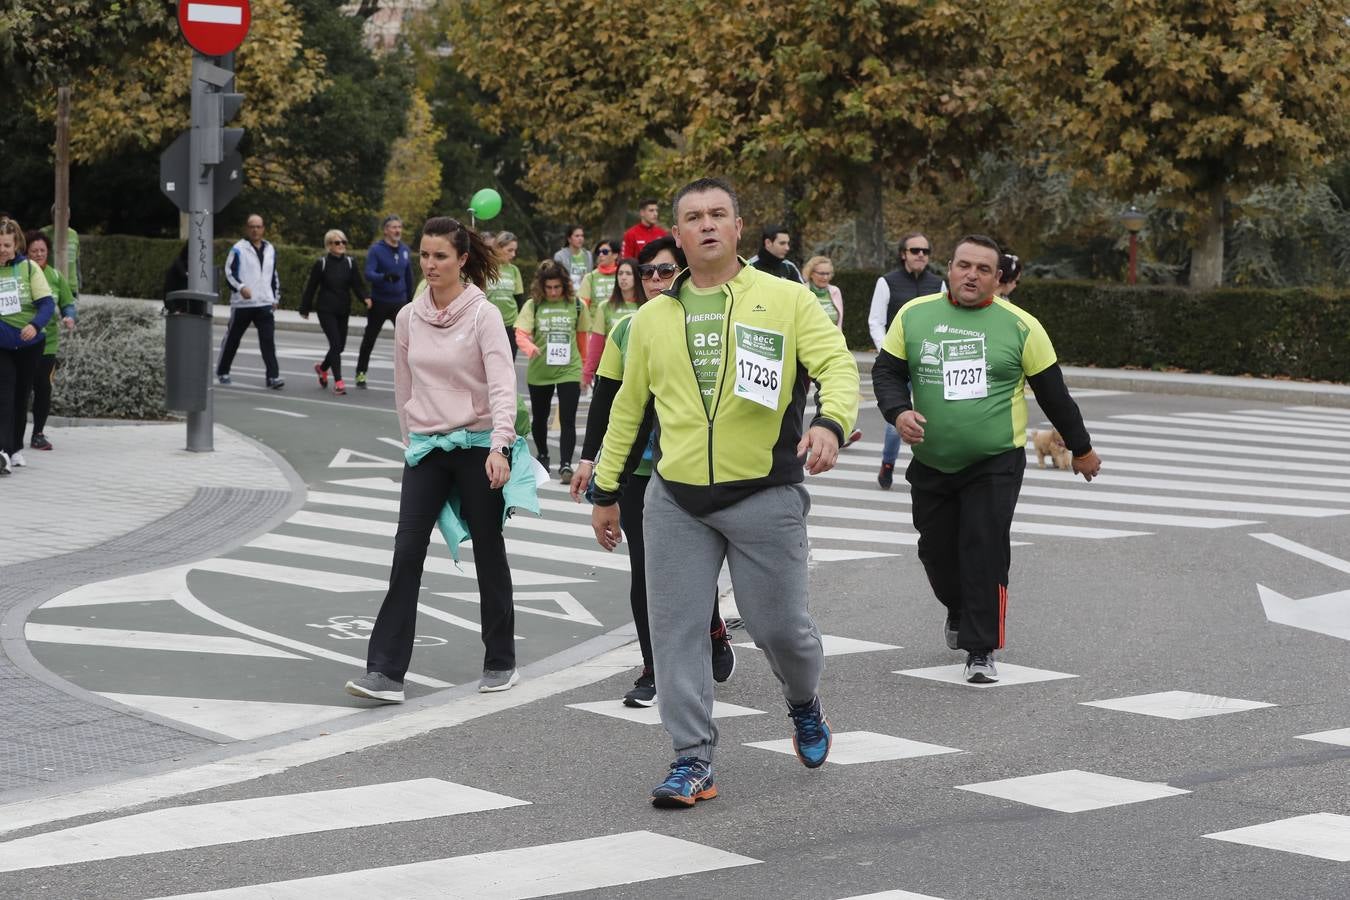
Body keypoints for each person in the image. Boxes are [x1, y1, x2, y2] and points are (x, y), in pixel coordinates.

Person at [590, 178, 859, 807]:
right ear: (677, 236)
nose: (707, 224)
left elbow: (837, 367)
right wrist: (605, 489)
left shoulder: (787, 300)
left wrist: (829, 422)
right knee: (675, 628)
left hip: (764, 492)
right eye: (693, 217)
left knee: (778, 628)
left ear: (738, 228)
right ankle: (692, 760)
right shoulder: (651, 320)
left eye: (719, 214)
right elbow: (628, 410)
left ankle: (803, 701)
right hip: (676, 497)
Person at [871, 234, 1102, 684]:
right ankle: (959, 607)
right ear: (950, 268)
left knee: (984, 547)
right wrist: (898, 412)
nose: (970, 275)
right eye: (963, 265)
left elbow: (1055, 395)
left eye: (982, 269)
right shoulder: (914, 316)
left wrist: (1082, 449)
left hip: (994, 461)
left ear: (998, 278)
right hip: (933, 461)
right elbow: (887, 373)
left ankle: (981, 647)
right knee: (935, 551)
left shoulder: (1022, 326)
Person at [344, 216, 537, 702]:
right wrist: (410, 442)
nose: (430, 265)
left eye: (440, 257)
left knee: (489, 552)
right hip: (427, 450)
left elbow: (502, 385)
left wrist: (500, 446)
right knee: (406, 552)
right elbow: (403, 387)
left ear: (462, 259)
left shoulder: (483, 315)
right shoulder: (408, 316)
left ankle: (500, 660)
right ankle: (385, 673)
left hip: (476, 448)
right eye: (424, 256)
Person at [571, 236, 735, 707]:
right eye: (647, 273)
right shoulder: (629, 328)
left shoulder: (711, 319)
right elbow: (606, 400)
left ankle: (711, 626)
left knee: (694, 569)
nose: (656, 281)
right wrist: (590, 462)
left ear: (683, 272)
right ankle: (654, 667)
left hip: (696, 465)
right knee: (646, 570)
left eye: (666, 271)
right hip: (640, 471)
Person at [867, 233, 944, 489]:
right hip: (899, 362)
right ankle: (888, 463)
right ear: (904, 254)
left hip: (931, 361)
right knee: (900, 414)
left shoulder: (939, 283)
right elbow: (876, 321)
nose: (921, 254)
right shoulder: (887, 282)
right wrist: (888, 351)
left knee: (933, 415)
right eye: (915, 250)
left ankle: (934, 465)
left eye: (925, 250)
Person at [515, 260, 583, 484]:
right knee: (540, 418)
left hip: (569, 370)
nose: (553, 292)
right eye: (549, 288)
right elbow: (521, 333)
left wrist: (585, 369)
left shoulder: (576, 305)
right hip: (540, 370)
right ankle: (543, 454)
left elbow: (583, 337)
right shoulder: (533, 305)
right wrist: (529, 347)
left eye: (557, 287)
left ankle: (565, 464)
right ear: (542, 287)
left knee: (568, 418)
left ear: (564, 285)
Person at [0, 217, 54, 475]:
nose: (2, 250)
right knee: (5, 392)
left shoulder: (30, 268)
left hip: (29, 343)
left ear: (16, 244)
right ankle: (2, 450)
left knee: (22, 395)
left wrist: (34, 324)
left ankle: (14, 448)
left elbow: (46, 304)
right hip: (2, 343)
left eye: (7, 245)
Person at [20, 231, 76, 451]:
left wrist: (69, 316)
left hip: (47, 341)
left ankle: (38, 434)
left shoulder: (55, 276)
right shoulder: (19, 273)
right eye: (34, 251)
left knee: (43, 387)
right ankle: (14, 435)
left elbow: (67, 302)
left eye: (43, 251)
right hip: (22, 341)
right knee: (21, 389)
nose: (39, 254)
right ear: (26, 253)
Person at [217, 213, 283, 388]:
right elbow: (229, 273)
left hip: (264, 303)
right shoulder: (238, 248)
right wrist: (241, 287)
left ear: (263, 229)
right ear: (247, 228)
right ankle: (223, 371)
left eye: (258, 226)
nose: (255, 230)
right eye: (252, 226)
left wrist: (275, 297)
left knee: (268, 341)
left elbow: (273, 275)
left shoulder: (270, 249)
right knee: (233, 339)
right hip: (243, 304)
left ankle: (273, 377)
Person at [300, 229, 369, 396]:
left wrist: (366, 298)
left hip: (343, 309)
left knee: (340, 346)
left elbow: (357, 285)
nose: (341, 245)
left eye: (343, 242)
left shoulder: (350, 263)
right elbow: (311, 287)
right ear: (329, 245)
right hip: (326, 310)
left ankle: (322, 368)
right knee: (335, 344)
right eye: (337, 242)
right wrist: (305, 307)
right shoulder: (321, 263)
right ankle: (339, 382)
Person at [802, 255, 862, 447]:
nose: (825, 277)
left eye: (829, 273)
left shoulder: (834, 291)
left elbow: (839, 320)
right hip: (806, 348)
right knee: (799, 394)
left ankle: (836, 428)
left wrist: (841, 344)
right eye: (821, 273)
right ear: (811, 274)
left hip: (829, 347)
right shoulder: (802, 291)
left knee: (832, 388)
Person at [356, 215, 416, 389]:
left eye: (399, 227)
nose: (398, 230)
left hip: (400, 302)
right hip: (380, 301)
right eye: (393, 227)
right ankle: (361, 373)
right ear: (385, 230)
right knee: (370, 338)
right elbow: (368, 273)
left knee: (409, 341)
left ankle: (413, 377)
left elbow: (408, 275)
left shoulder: (404, 249)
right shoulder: (376, 250)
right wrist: (384, 277)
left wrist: (410, 300)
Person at [581, 255, 640, 387]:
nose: (623, 277)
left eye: (629, 273)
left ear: (637, 277)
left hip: (638, 373)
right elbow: (596, 342)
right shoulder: (605, 306)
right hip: (609, 372)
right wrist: (587, 372)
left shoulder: (646, 305)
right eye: (620, 273)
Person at [576, 238, 619, 381]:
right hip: (597, 331)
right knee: (601, 371)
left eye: (605, 251)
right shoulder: (591, 277)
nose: (601, 255)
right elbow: (583, 306)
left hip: (619, 329)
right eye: (598, 252)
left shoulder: (623, 275)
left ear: (615, 255)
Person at [484, 231, 526, 357]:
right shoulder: (485, 268)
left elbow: (519, 299)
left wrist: (519, 325)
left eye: (515, 250)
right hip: (489, 324)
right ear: (498, 248)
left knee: (509, 364)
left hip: (510, 324)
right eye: (510, 250)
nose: (513, 254)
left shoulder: (514, 270)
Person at [551, 225, 591, 294]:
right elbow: (558, 278)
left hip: (584, 294)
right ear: (569, 239)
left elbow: (590, 277)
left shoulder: (588, 255)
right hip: (567, 294)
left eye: (582, 236)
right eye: (577, 236)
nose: (580, 239)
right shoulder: (560, 256)